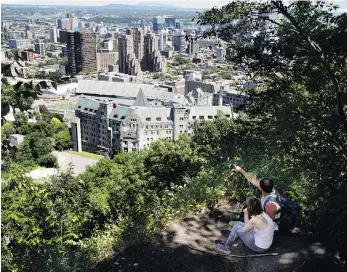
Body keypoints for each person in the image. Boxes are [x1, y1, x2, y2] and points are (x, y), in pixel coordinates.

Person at [234, 166, 301, 233]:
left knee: (241, 225)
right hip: (267, 218)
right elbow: (252, 179)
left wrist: (252, 221)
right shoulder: (271, 189)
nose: (257, 182)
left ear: (261, 188)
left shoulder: (270, 204)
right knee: (250, 202)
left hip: (273, 228)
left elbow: (268, 223)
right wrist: (240, 170)